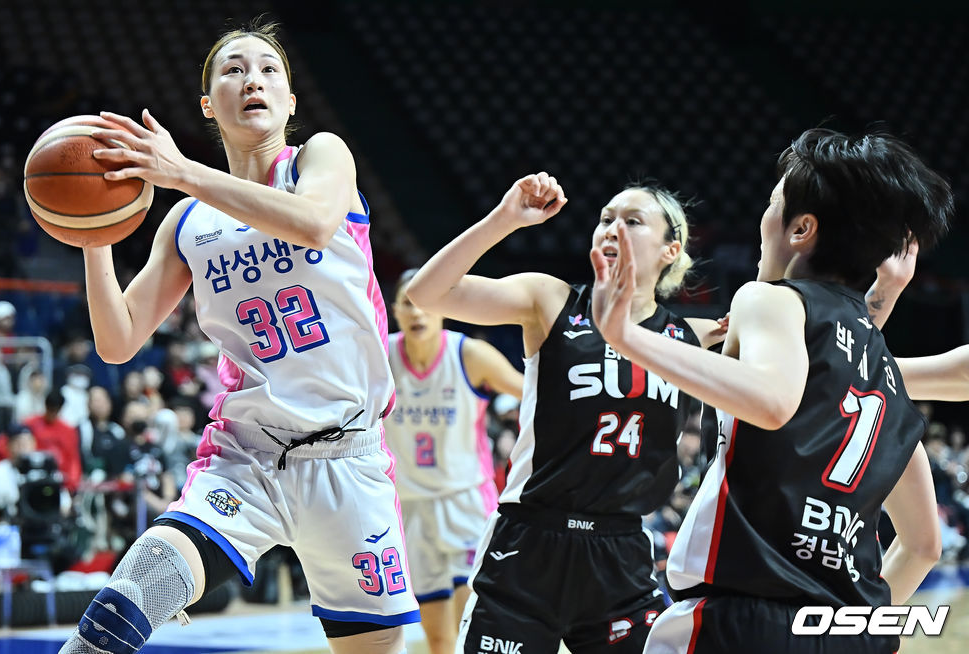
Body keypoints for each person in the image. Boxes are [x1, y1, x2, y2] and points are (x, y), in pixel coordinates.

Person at [59, 18, 418, 654]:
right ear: (209, 104)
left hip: (349, 459)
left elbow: (313, 223)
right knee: (123, 604)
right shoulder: (187, 220)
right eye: (234, 69)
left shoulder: (319, 157)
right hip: (244, 458)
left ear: (290, 101)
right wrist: (94, 233)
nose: (253, 79)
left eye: (268, 69)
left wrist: (183, 171)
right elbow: (118, 341)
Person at [587, 128, 951, 654]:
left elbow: (773, 400)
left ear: (801, 229)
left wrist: (625, 335)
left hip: (740, 622)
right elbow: (922, 547)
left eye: (772, 204)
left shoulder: (771, 298)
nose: (764, 218)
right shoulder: (884, 375)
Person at [407, 172, 730, 653]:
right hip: (530, 541)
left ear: (670, 249)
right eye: (605, 219)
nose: (612, 228)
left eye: (633, 221)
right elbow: (427, 294)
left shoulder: (691, 336)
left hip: (620, 550)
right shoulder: (551, 300)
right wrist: (504, 219)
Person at [386, 268, 524, 654]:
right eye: (407, 304)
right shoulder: (381, 356)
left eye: (424, 303)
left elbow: (531, 392)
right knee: (437, 638)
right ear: (394, 310)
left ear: (442, 307)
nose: (417, 313)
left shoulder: (469, 354)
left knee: (472, 622)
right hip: (410, 506)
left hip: (466, 500)